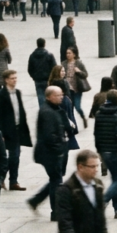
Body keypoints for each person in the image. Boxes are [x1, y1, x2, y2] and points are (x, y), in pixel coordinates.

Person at [29, 86, 68, 217]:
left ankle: (35, 200)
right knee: (56, 181)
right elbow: (49, 135)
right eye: (57, 95)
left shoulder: (53, 109)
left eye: (61, 94)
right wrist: (59, 150)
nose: (61, 97)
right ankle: (55, 212)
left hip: (49, 152)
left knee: (55, 179)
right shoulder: (47, 112)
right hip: (49, 153)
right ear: (49, 97)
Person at [93, 90, 117, 218]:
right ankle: (103, 200)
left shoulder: (99, 113)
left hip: (105, 152)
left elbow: (96, 134)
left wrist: (99, 150)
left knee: (114, 178)